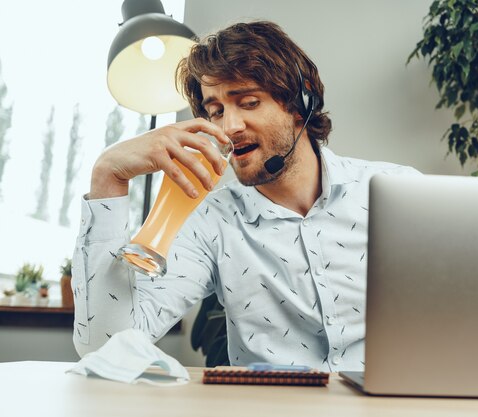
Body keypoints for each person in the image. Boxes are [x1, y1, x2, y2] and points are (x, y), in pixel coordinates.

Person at [73, 21, 419, 371]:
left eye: (249, 102)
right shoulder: (211, 221)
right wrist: (108, 176)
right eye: (216, 112)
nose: (228, 128)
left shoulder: (398, 192)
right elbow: (104, 348)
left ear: (302, 102)